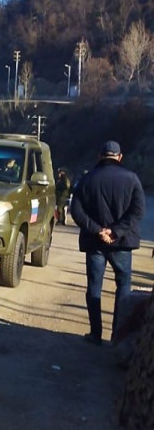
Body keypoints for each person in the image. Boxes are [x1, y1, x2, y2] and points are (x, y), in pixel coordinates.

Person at [70, 141, 145, 346]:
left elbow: (76, 211)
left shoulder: (86, 180)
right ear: (120, 157)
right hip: (121, 243)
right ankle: (117, 336)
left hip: (95, 243)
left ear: (99, 156)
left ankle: (96, 334)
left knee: (94, 287)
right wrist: (116, 231)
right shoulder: (132, 179)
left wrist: (97, 230)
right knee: (123, 286)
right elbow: (137, 212)